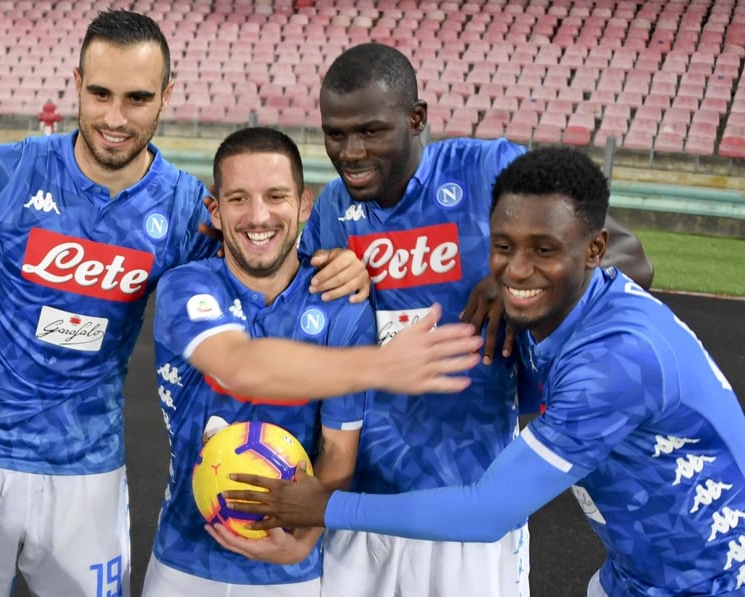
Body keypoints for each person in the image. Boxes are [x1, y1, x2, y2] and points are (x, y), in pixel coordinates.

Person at [0, 13, 481, 597]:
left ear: (166, 96)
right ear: (76, 82)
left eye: (136, 98)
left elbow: (266, 243)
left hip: (88, 466)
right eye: (100, 93)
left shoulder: (185, 208)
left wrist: (342, 260)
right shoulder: (9, 170)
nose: (114, 117)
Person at [218, 146, 745, 597]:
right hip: (633, 574)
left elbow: (487, 511)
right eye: (503, 248)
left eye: (543, 250)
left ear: (594, 251)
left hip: (709, 583)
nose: (516, 270)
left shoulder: (612, 363)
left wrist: (326, 507)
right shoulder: (570, 310)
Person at [255, 43, 653, 597]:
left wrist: (517, 277)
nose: (350, 152)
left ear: (416, 119)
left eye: (370, 131)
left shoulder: (490, 171)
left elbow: (631, 254)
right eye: (335, 134)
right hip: (360, 504)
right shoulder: (331, 213)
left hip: (467, 505)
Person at [145, 127, 465, 596]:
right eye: (238, 199)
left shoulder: (342, 303)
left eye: (276, 196)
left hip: (293, 574)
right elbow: (238, 365)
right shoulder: (186, 286)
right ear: (214, 209)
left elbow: (337, 451)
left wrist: (304, 540)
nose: (258, 216)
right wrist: (379, 366)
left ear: (304, 204)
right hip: (184, 560)